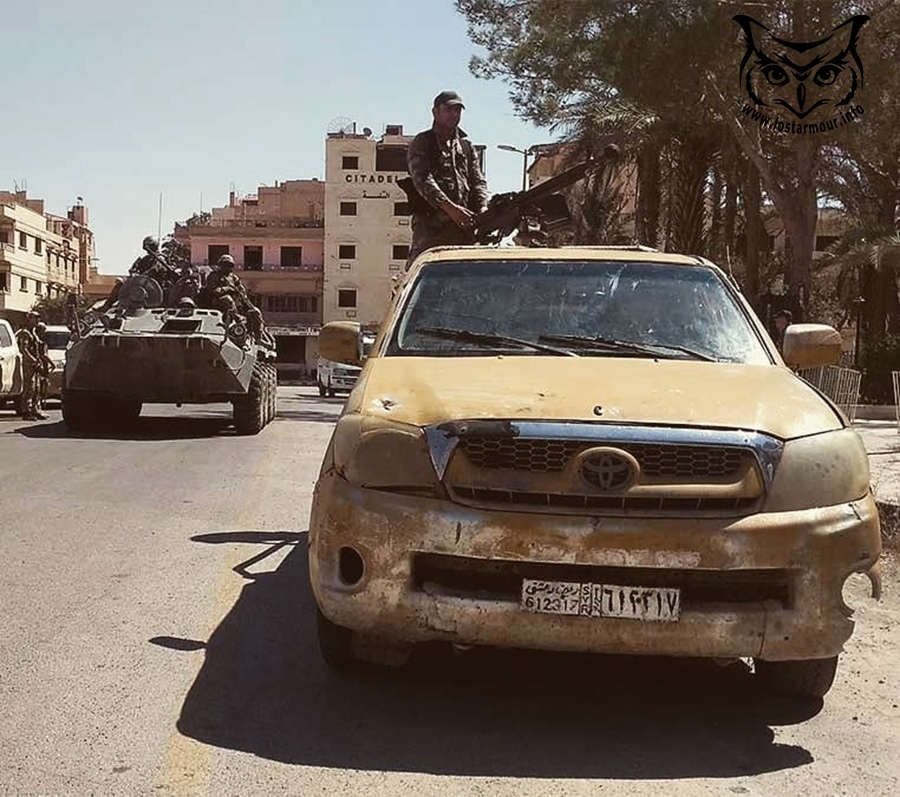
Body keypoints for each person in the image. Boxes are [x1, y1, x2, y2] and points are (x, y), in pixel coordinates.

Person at [405, 90, 489, 268]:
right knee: (422, 275)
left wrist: (483, 208)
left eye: (458, 110)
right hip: (431, 229)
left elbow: (478, 181)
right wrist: (450, 208)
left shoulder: (466, 147)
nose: (454, 114)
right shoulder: (423, 142)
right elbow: (423, 180)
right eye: (449, 109)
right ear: (435, 112)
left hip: (464, 229)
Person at [204, 254, 263, 339]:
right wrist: (227, 289)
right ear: (220, 265)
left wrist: (242, 296)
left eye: (230, 265)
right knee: (227, 299)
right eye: (225, 265)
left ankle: (257, 337)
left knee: (255, 311)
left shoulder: (234, 277)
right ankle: (237, 320)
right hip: (218, 302)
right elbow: (213, 291)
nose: (227, 268)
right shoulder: (214, 276)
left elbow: (241, 291)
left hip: (236, 304)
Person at [15, 312, 47, 420]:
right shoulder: (25, 333)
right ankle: (26, 411)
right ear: (30, 319)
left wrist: (39, 362)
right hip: (28, 364)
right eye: (36, 318)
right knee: (29, 388)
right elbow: (23, 349)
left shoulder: (33, 333)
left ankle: (35, 409)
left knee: (36, 388)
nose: (38, 320)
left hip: (35, 363)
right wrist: (33, 360)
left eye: (39, 318)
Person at [33, 322, 54, 413]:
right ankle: (37, 408)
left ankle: (38, 408)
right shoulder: (39, 343)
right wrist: (52, 364)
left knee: (42, 388)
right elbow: (43, 355)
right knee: (39, 389)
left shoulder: (39, 341)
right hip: (41, 367)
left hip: (42, 367)